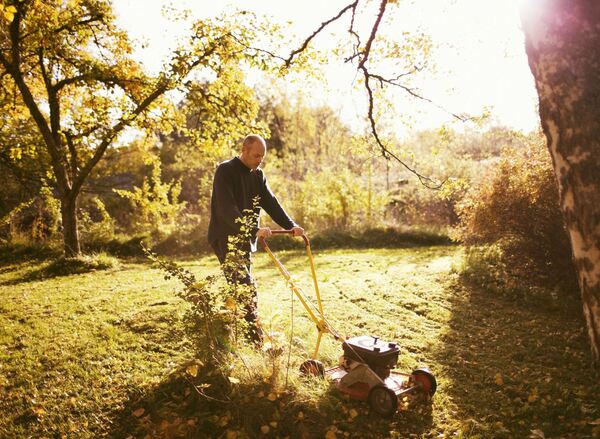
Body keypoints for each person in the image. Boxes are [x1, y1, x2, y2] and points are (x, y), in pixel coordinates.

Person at [208, 134, 304, 343]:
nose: (259, 160)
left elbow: (271, 203)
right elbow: (226, 210)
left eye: (262, 157)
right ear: (244, 150)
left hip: (245, 239)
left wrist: (291, 226)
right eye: (256, 155)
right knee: (245, 287)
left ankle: (228, 330)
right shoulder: (226, 171)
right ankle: (255, 341)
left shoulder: (258, 176)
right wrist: (254, 229)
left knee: (242, 286)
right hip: (226, 238)